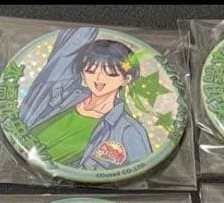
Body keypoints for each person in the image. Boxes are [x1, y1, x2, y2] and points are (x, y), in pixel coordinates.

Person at [21, 28, 152, 169]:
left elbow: (142, 169)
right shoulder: (61, 95)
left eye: (110, 74)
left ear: (126, 79)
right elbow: (66, 52)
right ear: (82, 73)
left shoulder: (129, 130)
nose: (99, 79)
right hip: (19, 159)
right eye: (90, 71)